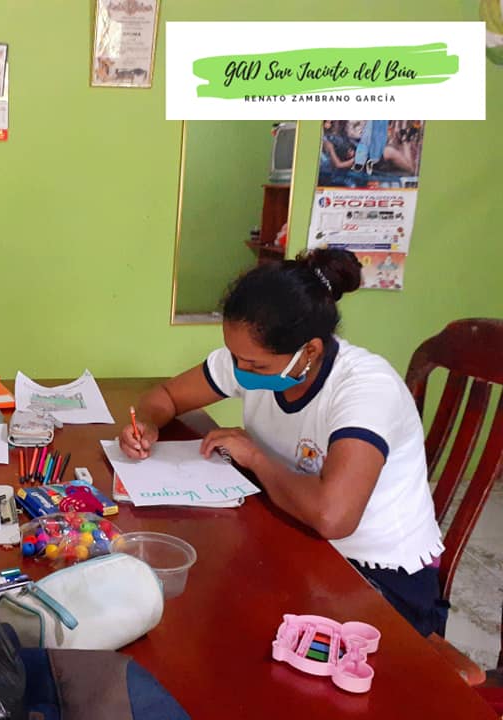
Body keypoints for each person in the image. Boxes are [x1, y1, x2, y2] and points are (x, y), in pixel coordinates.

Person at [120, 249, 447, 637]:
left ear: (310, 351)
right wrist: (148, 425)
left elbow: (333, 517)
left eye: (255, 366)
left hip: (376, 575)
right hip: (293, 535)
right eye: (235, 358)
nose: (240, 371)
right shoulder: (251, 358)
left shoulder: (365, 389)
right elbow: (165, 396)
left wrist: (255, 457)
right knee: (190, 605)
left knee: (233, 631)